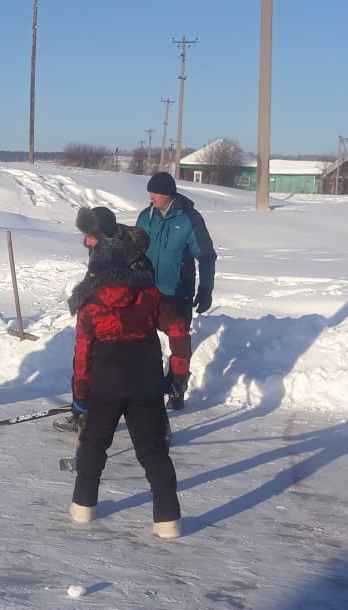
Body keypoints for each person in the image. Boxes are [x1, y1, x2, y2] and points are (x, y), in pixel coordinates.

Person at [65, 208, 191, 538]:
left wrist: (80, 397)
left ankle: (83, 508)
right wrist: (178, 374)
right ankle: (168, 521)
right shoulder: (149, 294)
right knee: (153, 451)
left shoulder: (90, 303)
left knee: (93, 446)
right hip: (145, 381)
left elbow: (83, 355)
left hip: (105, 384)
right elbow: (178, 329)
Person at [53, 206, 153, 432]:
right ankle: (83, 412)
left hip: (128, 329)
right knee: (89, 364)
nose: (86, 242)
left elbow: (139, 295)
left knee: (136, 377)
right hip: (101, 320)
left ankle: (157, 426)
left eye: (90, 236)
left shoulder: (130, 256)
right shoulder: (102, 247)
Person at [135, 171, 217, 410]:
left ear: (169, 194)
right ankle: (145, 386)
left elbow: (207, 256)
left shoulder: (190, 219)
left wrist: (206, 288)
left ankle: (176, 387)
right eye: (150, 192)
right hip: (146, 290)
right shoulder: (145, 217)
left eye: (156, 193)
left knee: (179, 343)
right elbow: (133, 251)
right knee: (142, 341)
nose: (151, 197)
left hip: (176, 291)